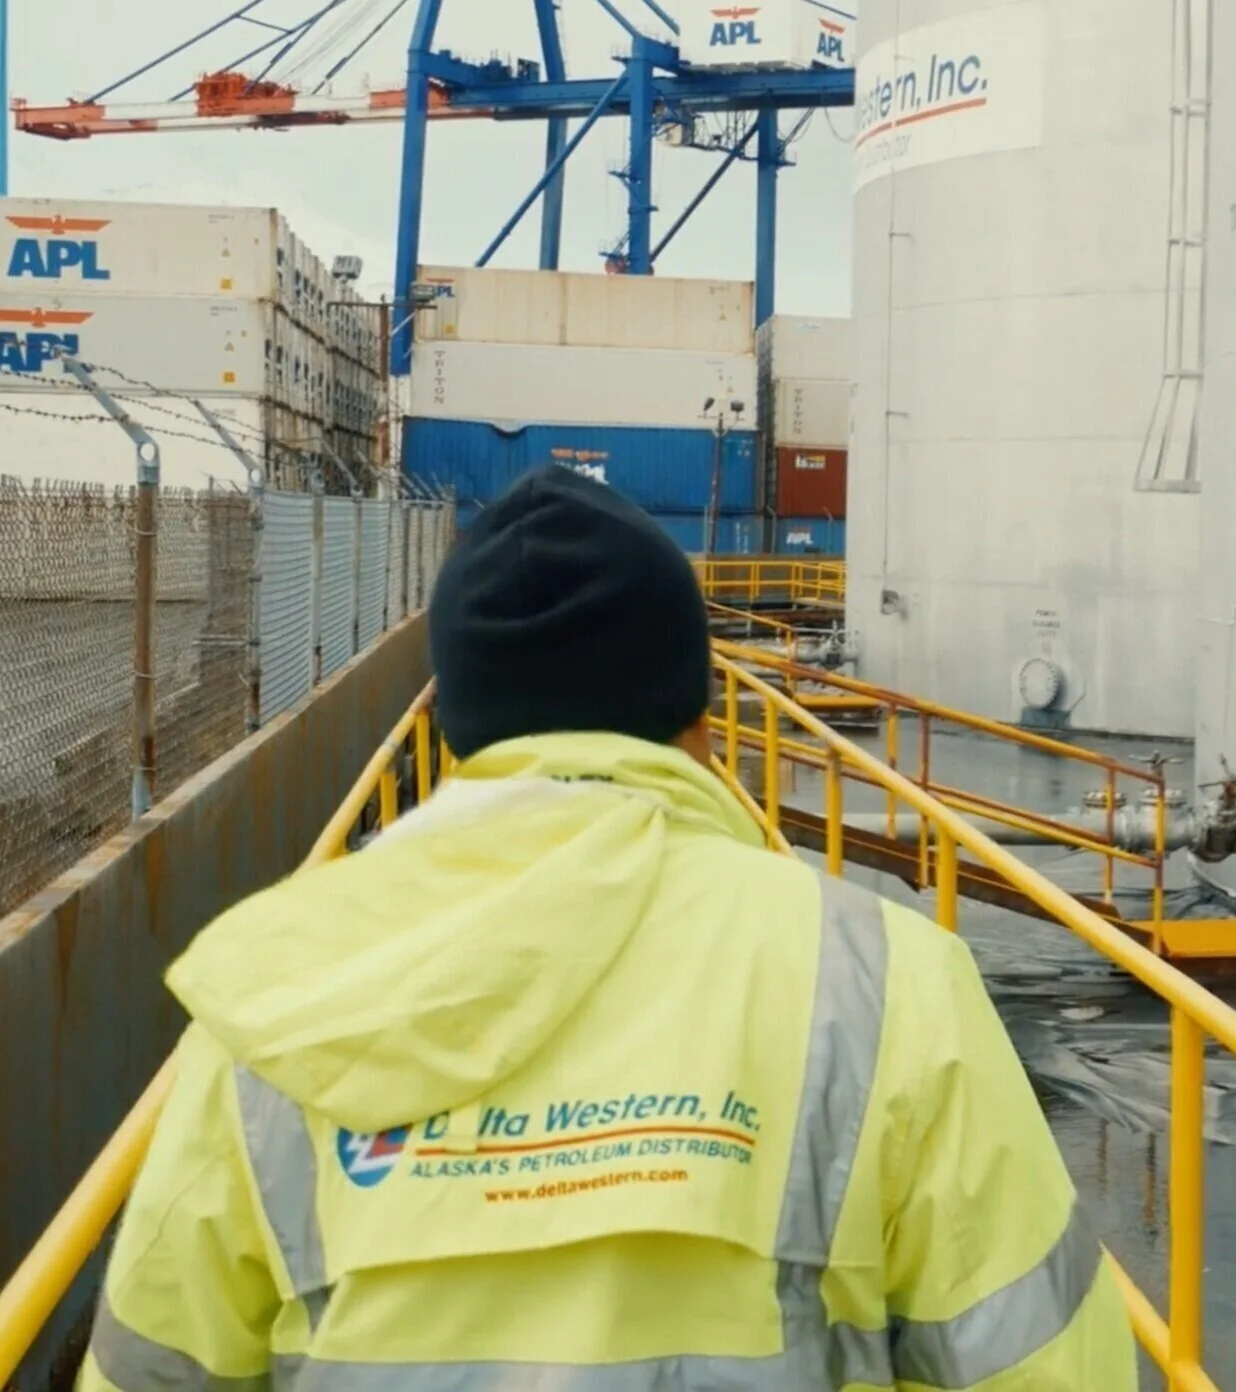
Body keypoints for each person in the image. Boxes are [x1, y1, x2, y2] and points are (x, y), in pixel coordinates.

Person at [80, 465, 1138, 1391]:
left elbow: (158, 1363)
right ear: (701, 712)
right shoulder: (883, 977)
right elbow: (1046, 1363)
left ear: (448, 720)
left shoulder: (273, 996)